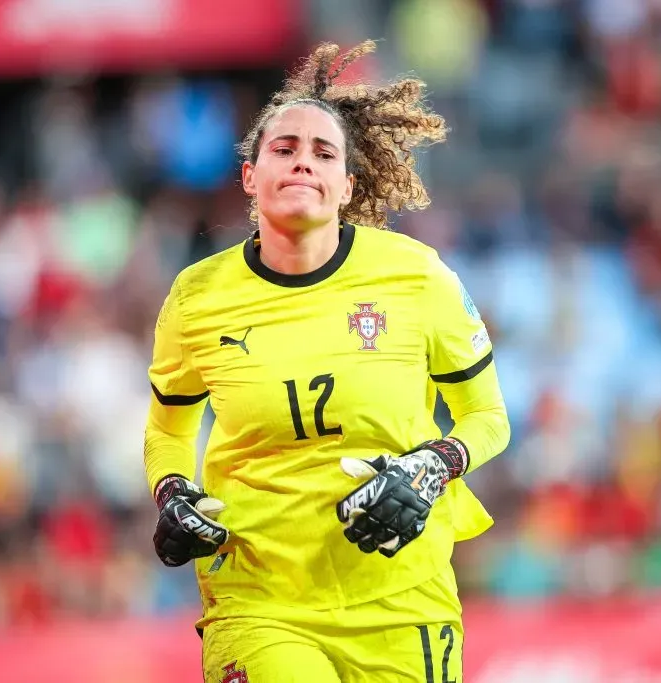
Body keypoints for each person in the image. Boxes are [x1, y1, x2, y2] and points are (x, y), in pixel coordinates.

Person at [143, 40, 510, 682]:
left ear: (347, 184)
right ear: (249, 177)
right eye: (282, 149)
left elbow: (487, 418)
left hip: (401, 595)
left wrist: (430, 466)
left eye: (323, 153)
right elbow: (169, 428)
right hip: (259, 598)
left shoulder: (417, 278)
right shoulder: (196, 298)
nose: (302, 163)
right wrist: (173, 492)